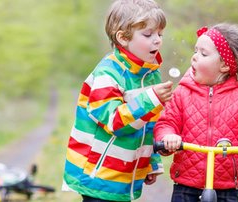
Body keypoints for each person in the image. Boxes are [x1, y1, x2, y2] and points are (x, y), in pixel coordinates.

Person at [62, 0, 173, 201]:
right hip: (98, 175)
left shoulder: (149, 75)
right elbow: (115, 122)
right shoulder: (108, 74)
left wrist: (152, 162)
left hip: (124, 177)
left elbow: (149, 124)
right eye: (148, 34)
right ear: (122, 38)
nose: (157, 40)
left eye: (160, 34)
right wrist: (151, 98)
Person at [154, 23, 238, 202]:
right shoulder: (182, 93)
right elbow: (166, 123)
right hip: (187, 184)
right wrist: (168, 137)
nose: (194, 57)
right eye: (195, 51)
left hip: (226, 188)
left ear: (224, 65)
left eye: (203, 54)